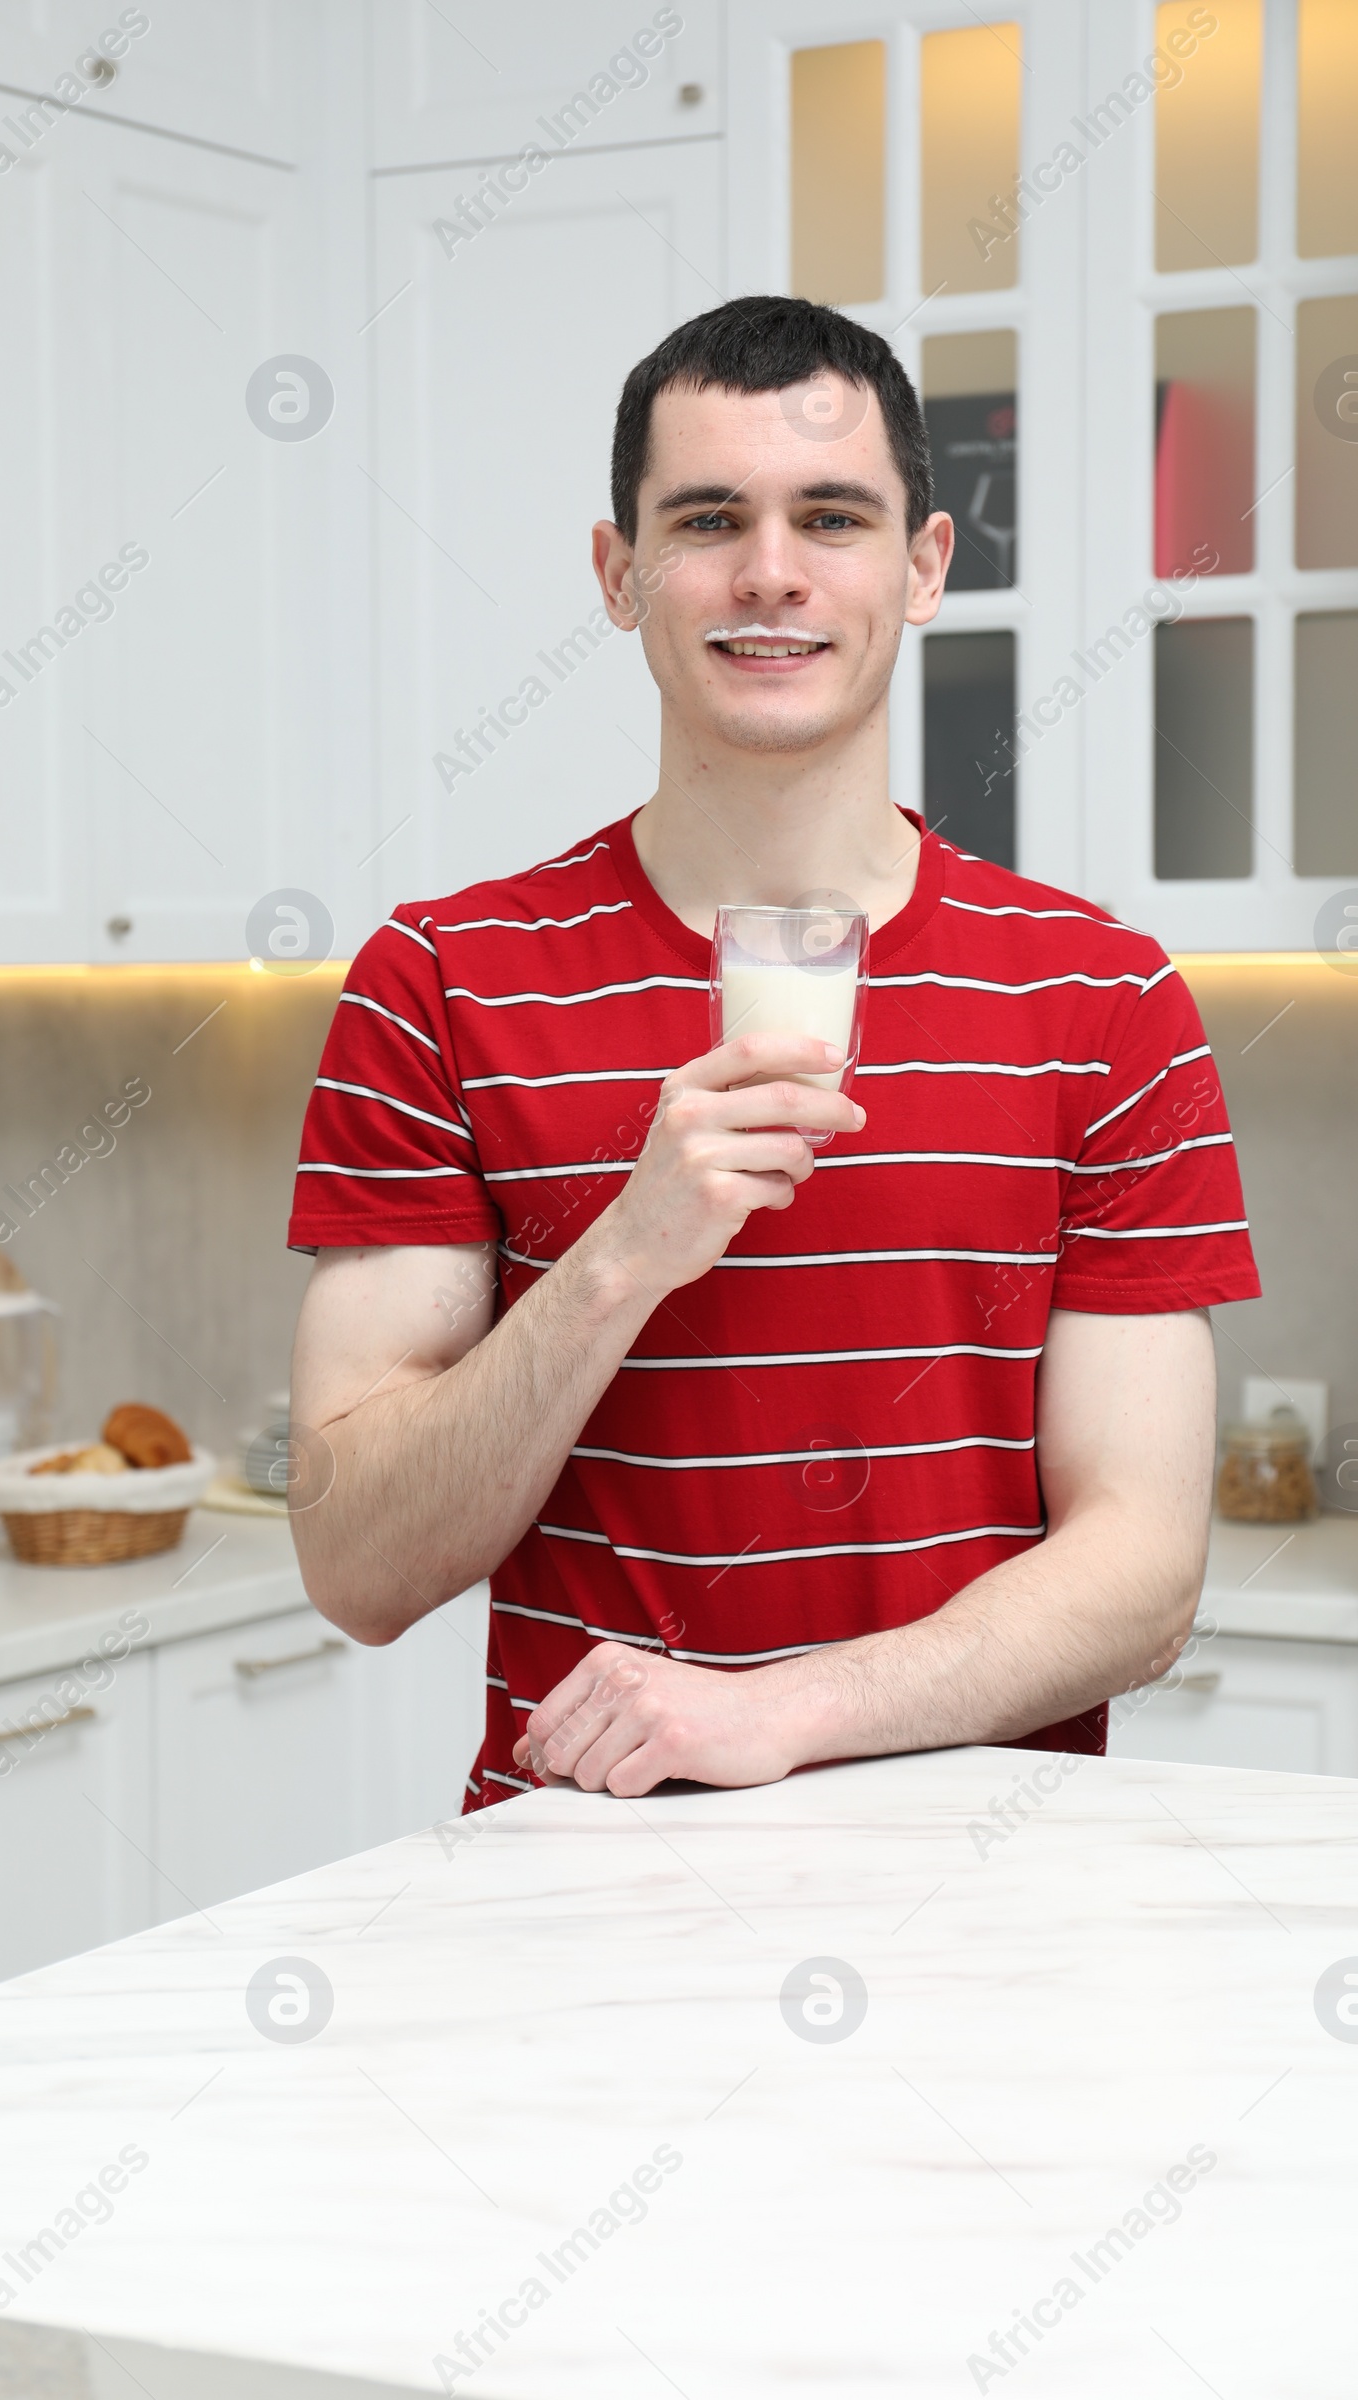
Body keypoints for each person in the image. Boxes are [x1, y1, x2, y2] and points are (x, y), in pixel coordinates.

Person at [286, 294, 1259, 1810]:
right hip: (577, 1898)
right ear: (620, 575)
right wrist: (620, 1254)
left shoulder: (1103, 995)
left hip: (993, 1903)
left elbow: (1144, 1575)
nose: (771, 575)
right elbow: (357, 1566)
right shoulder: (440, 983)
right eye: (707, 520)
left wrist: (774, 1714)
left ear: (924, 566)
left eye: (832, 517)